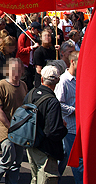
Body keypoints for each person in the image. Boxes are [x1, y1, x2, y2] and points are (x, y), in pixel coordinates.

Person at [0, 58, 28, 184]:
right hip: (6, 130)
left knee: (17, 161)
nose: (16, 72)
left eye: (19, 69)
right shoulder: (1, 86)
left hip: (20, 130)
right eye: (13, 69)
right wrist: (9, 126)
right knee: (8, 158)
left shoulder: (23, 85)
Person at [26, 65, 67, 184]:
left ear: (42, 79)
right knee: (46, 179)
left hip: (31, 144)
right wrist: (63, 128)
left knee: (34, 178)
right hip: (46, 149)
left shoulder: (31, 93)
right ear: (57, 81)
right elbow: (53, 131)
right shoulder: (52, 101)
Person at [55, 51, 83, 183]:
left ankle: (53, 177)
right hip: (69, 127)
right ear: (72, 62)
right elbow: (58, 103)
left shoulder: (80, 79)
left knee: (65, 156)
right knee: (78, 161)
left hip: (78, 126)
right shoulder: (63, 81)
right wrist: (75, 111)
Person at [16, 21, 40, 91]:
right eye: (37, 30)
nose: (38, 32)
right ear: (33, 29)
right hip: (23, 64)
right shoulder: (23, 36)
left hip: (30, 64)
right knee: (25, 82)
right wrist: (31, 47)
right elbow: (20, 50)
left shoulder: (33, 37)